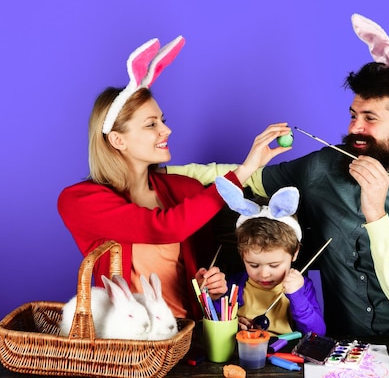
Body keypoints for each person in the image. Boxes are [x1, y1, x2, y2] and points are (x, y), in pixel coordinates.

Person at [165, 15, 389, 335]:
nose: (354, 129)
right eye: (353, 115)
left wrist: (376, 215)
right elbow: (240, 178)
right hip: (339, 345)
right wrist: (156, 173)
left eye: (369, 118)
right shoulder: (323, 167)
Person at [57, 36, 291, 322]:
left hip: (187, 338)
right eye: (151, 124)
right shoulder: (79, 201)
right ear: (117, 139)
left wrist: (206, 286)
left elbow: (196, 275)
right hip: (130, 347)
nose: (166, 131)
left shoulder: (185, 190)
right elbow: (166, 227)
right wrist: (245, 169)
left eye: (163, 120)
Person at [214, 177, 325, 335]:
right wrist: (232, 323)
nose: (264, 274)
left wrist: (297, 296)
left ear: (294, 253)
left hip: (286, 354)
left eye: (274, 265)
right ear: (242, 255)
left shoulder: (302, 287)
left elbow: (317, 334)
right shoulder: (235, 286)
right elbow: (216, 323)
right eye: (253, 265)